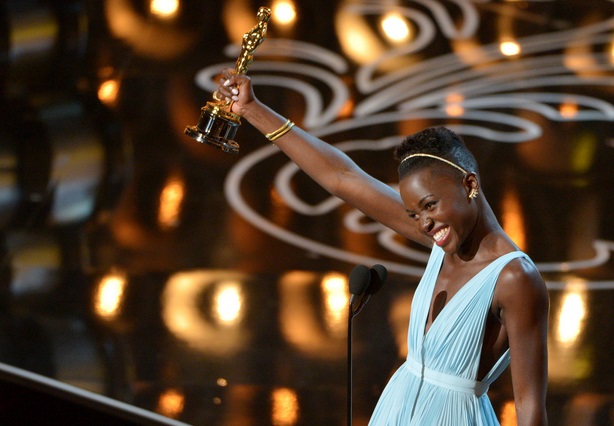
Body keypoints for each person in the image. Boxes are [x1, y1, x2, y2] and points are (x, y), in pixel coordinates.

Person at [214, 69, 549, 425]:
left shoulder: (515, 278)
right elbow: (343, 178)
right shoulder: (442, 240)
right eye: (414, 213)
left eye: (430, 205)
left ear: (469, 184)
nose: (424, 223)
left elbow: (529, 406)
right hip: (396, 409)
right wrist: (252, 110)